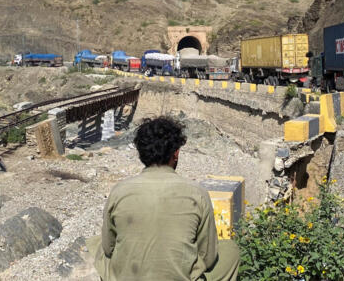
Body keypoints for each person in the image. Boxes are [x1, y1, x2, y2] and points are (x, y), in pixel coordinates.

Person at [92, 116, 239, 281]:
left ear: (141, 153)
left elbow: (108, 248)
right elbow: (208, 257)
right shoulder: (197, 193)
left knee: (96, 245)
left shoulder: (119, 191)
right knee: (230, 250)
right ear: (175, 153)